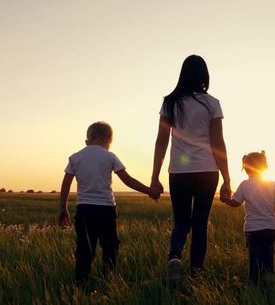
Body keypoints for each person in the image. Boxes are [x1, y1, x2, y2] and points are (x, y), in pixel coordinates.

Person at [150, 55, 231, 283]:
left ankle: (175, 255)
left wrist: (155, 177)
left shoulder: (170, 102)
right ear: (205, 75)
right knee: (200, 222)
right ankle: (196, 271)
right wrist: (227, 179)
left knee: (181, 221)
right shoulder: (211, 103)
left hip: (178, 171)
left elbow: (161, 141)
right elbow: (218, 143)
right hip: (207, 170)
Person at [58, 121, 160, 286]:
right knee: (110, 246)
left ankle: (81, 283)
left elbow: (65, 184)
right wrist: (150, 191)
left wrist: (62, 208)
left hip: (84, 210)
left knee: (84, 248)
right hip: (106, 210)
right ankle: (109, 281)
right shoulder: (110, 156)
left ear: (88, 139)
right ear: (108, 139)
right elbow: (128, 180)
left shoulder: (75, 157)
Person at [223, 151, 275, 285]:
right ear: (264, 166)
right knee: (268, 255)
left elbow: (236, 202)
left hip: (252, 230)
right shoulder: (273, 185)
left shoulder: (245, 185)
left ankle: (254, 283)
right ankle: (269, 280)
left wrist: (226, 200)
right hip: (270, 229)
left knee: (254, 257)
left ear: (246, 168)